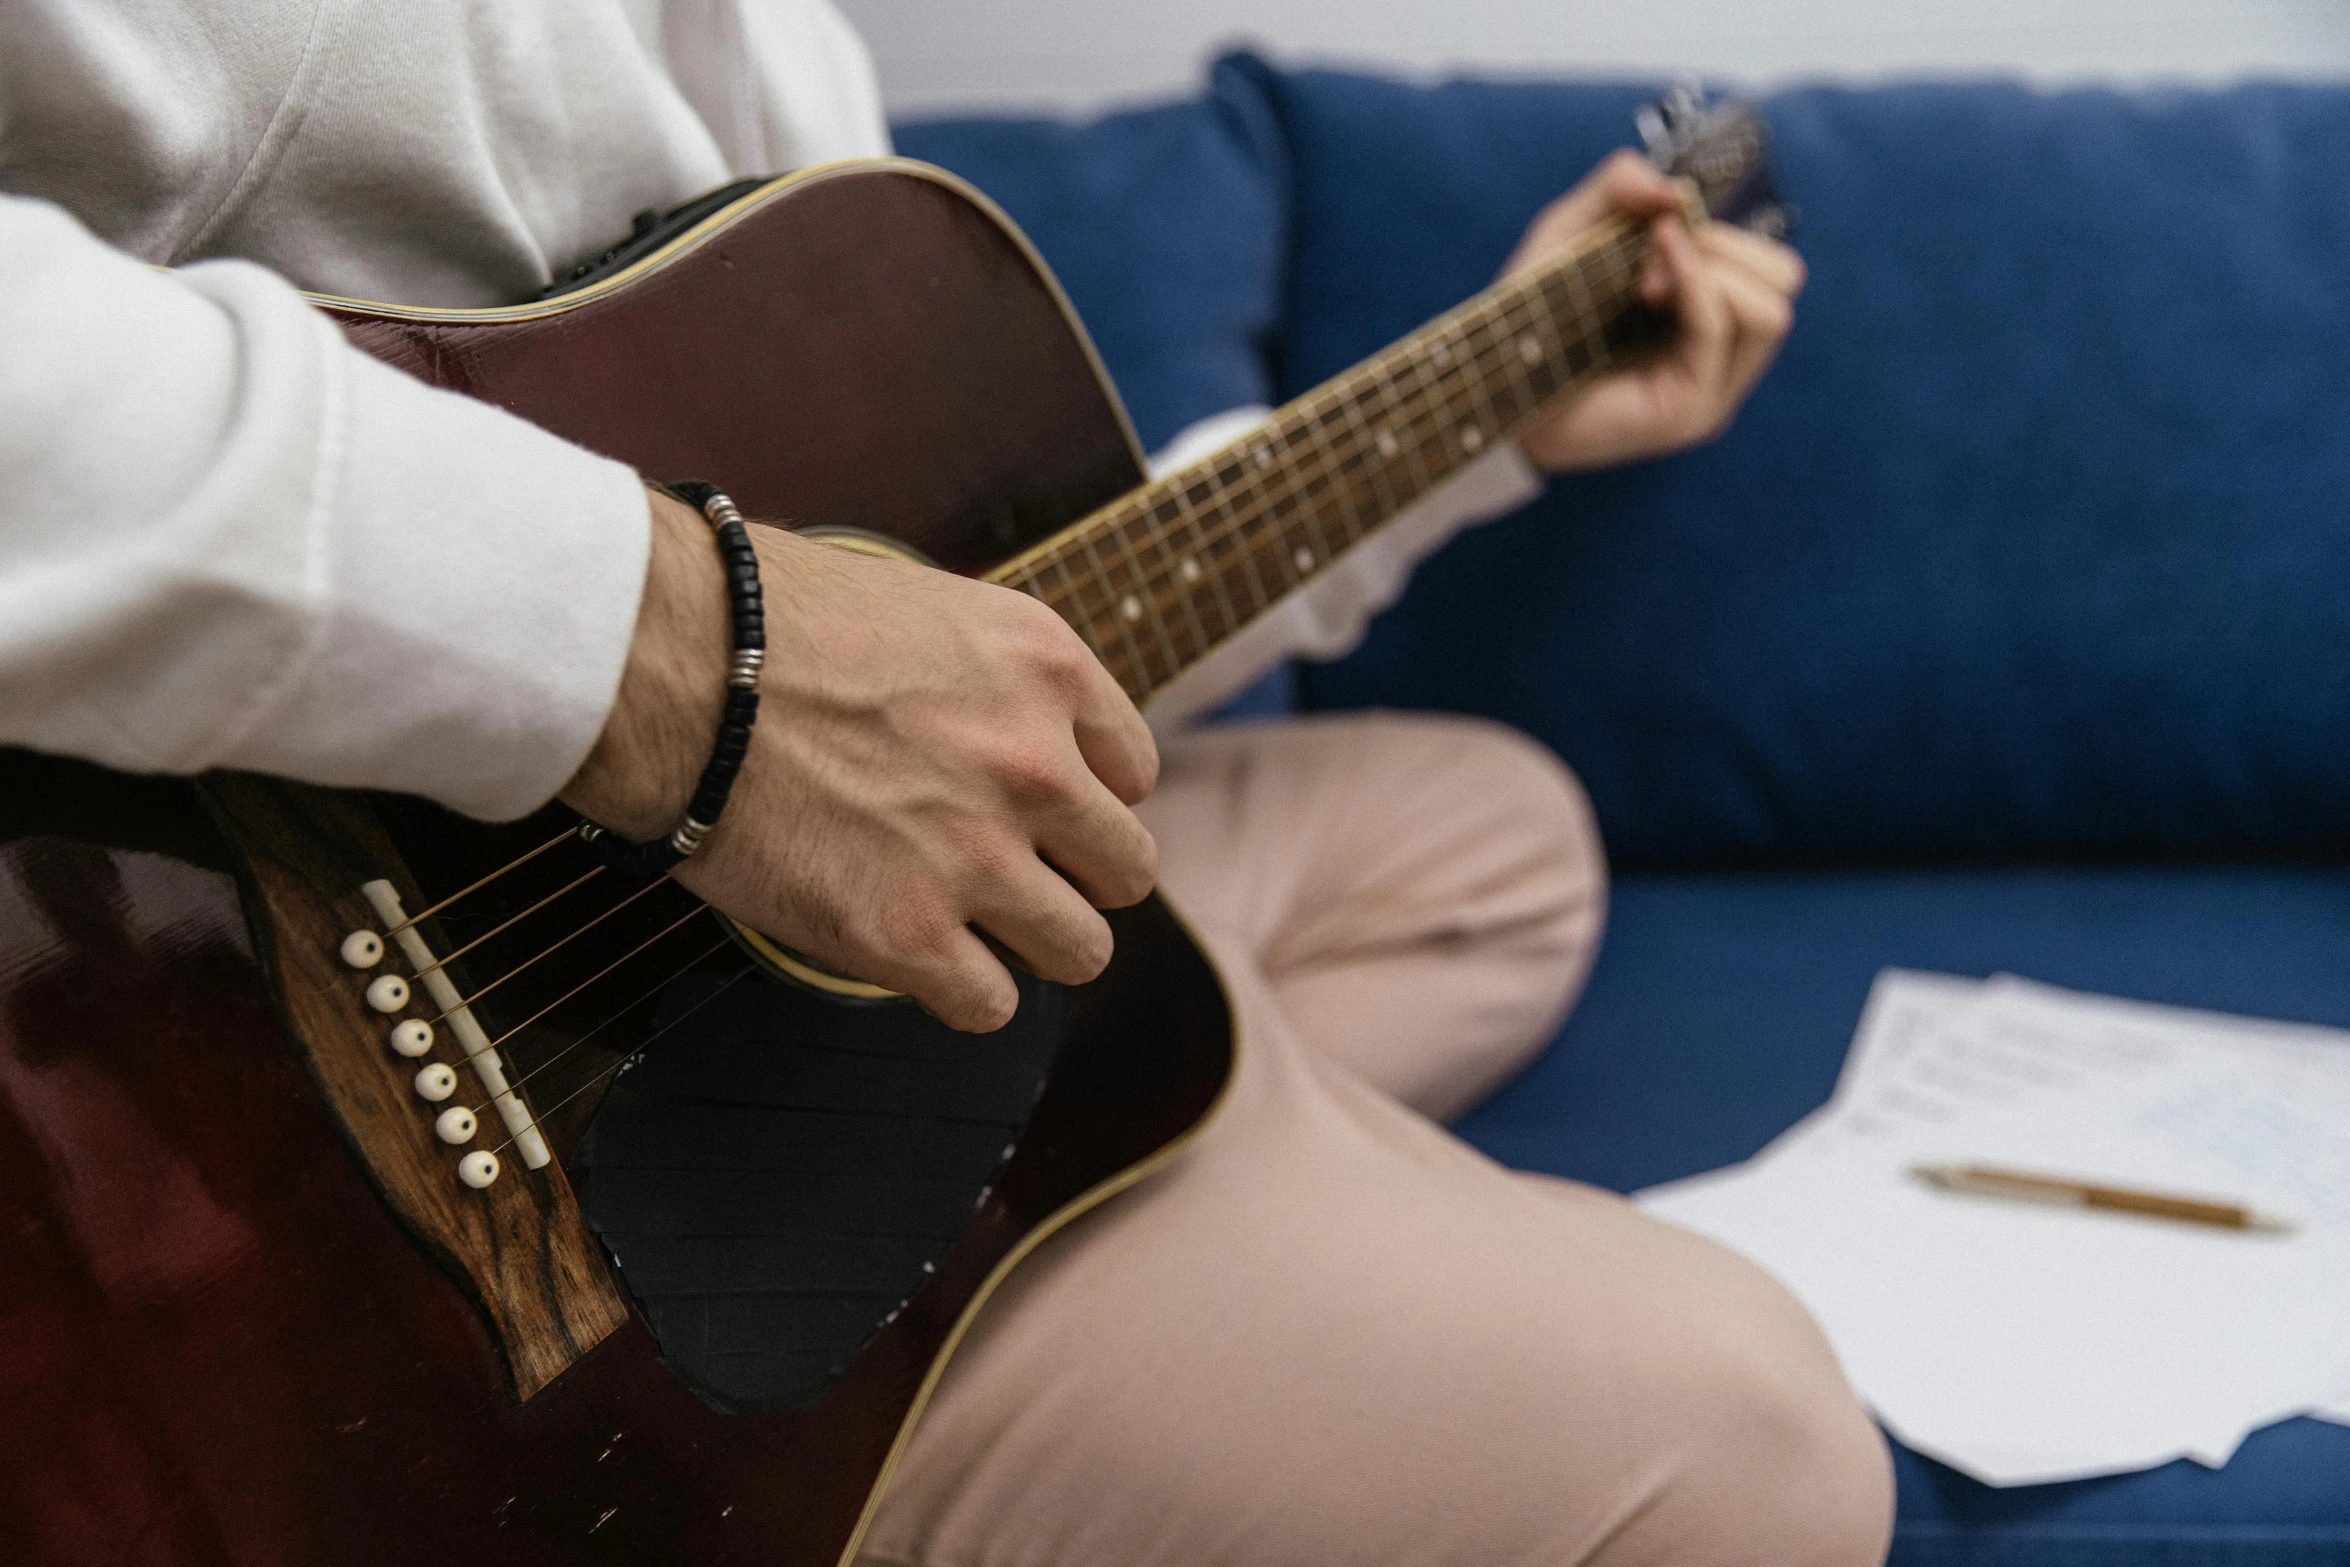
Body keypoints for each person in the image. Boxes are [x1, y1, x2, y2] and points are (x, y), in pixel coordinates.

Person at [0, 3, 1891, 1563]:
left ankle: (1112, 1119)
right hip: (368, 1187)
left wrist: (1491, 423)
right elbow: (784, 674)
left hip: (646, 925)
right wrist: (681, 664)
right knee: (1760, 1448)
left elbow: (923, 649)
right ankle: (931, 1324)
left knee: (1499, 842)